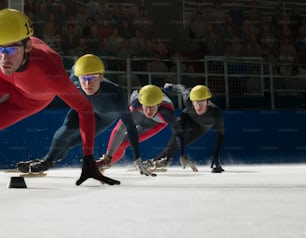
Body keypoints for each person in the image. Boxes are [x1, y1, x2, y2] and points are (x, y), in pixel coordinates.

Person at [0, 8, 118, 186]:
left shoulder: (49, 72)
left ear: (28, 46)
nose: (4, 57)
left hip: (31, 99)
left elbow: (85, 109)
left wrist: (88, 160)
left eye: (11, 49)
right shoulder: (5, 59)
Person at [17, 54, 155, 177]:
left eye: (92, 78)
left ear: (101, 77)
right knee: (66, 130)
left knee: (71, 142)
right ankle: (46, 161)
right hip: (83, 110)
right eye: (84, 78)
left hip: (102, 119)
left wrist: (137, 158)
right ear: (78, 77)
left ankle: (50, 159)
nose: (88, 84)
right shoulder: (74, 81)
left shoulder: (116, 94)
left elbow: (130, 127)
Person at [97, 84, 197, 171]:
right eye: (146, 107)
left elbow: (178, 134)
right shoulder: (136, 102)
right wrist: (108, 156)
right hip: (139, 113)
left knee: (123, 143)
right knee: (119, 138)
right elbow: (120, 129)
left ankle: (107, 164)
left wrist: (182, 154)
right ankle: (105, 163)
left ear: (158, 104)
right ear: (141, 102)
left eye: (152, 107)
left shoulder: (167, 112)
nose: (149, 111)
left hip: (156, 123)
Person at [145, 84, 225, 173]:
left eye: (201, 103)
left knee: (181, 143)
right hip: (187, 117)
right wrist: (171, 86)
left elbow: (220, 136)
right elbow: (182, 88)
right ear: (191, 101)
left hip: (201, 128)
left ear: (208, 102)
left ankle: (161, 159)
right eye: (195, 102)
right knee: (177, 130)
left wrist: (216, 159)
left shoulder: (215, 113)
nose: (198, 107)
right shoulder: (187, 99)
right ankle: (161, 160)